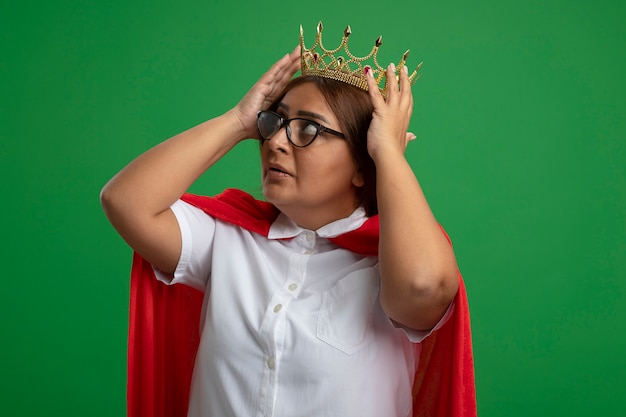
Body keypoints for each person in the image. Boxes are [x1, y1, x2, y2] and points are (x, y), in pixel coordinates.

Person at [101, 24, 475, 417]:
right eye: (274, 122)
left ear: (362, 166)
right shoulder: (225, 240)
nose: (276, 142)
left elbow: (424, 286)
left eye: (307, 129)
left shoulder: (391, 263)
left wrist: (389, 156)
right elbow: (125, 201)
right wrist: (237, 121)